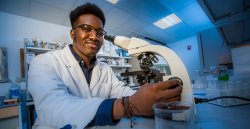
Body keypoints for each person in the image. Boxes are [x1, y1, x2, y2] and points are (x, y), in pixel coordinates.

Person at [28, 2, 182, 129]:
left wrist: (152, 98)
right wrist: (130, 106)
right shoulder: (43, 62)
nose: (95, 36)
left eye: (100, 32)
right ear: (73, 34)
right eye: (86, 29)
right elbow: (53, 107)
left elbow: (121, 91)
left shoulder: (105, 69)